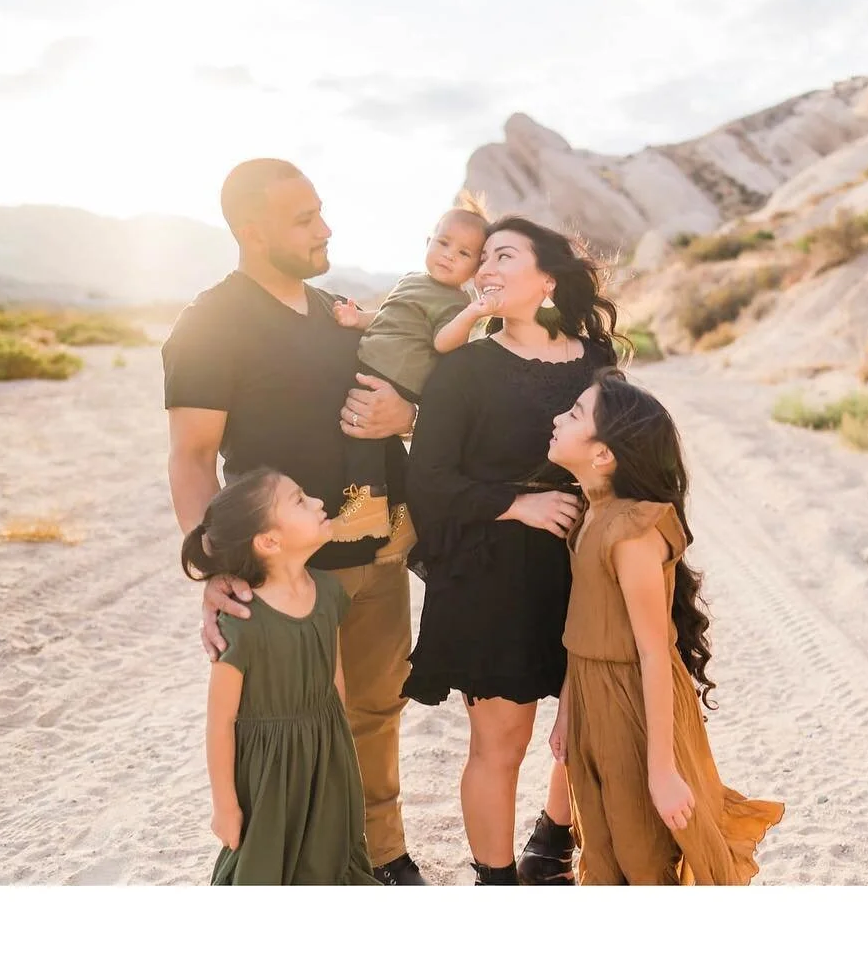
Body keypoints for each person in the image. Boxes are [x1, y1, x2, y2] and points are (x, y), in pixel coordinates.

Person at [163, 157, 427, 886]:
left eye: (320, 211)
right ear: (251, 231)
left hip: (379, 550)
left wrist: (405, 417)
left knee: (377, 708)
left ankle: (381, 853)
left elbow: (407, 401)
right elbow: (191, 457)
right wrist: (215, 570)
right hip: (294, 571)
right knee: (301, 727)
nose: (325, 228)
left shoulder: (339, 312)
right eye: (304, 219)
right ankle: (304, 867)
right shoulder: (211, 324)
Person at [403, 216, 620, 884]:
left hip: (584, 564)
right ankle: (497, 882)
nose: (486, 269)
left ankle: (553, 835)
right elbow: (427, 480)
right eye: (482, 259)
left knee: (586, 722)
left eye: (504, 256)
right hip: (491, 567)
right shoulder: (462, 369)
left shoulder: (594, 359)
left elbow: (626, 450)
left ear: (548, 278)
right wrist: (518, 504)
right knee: (502, 740)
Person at [546, 369, 784, 884]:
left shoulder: (632, 531)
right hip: (590, 696)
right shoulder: (593, 514)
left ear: (603, 454)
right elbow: (582, 630)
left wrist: (662, 771)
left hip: (634, 702)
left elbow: (653, 653)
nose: (557, 419)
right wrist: (568, 711)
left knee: (642, 851)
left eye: (574, 415)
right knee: (601, 840)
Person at [186, 467, 380, 886]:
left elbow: (335, 677)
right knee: (264, 863)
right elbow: (220, 722)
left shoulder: (328, 592)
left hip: (326, 752)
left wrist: (340, 749)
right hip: (268, 772)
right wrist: (225, 806)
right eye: (299, 500)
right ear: (269, 541)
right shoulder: (242, 622)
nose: (318, 502)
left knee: (327, 854)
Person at [329, 204, 493, 553]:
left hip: (398, 373)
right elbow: (388, 317)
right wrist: (355, 319)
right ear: (428, 240)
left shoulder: (455, 301)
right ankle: (403, 518)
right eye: (444, 243)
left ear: (476, 267)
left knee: (361, 433)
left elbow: (444, 342)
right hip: (379, 364)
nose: (449, 256)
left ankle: (367, 506)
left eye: (463, 253)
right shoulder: (411, 280)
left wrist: (470, 315)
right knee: (383, 443)